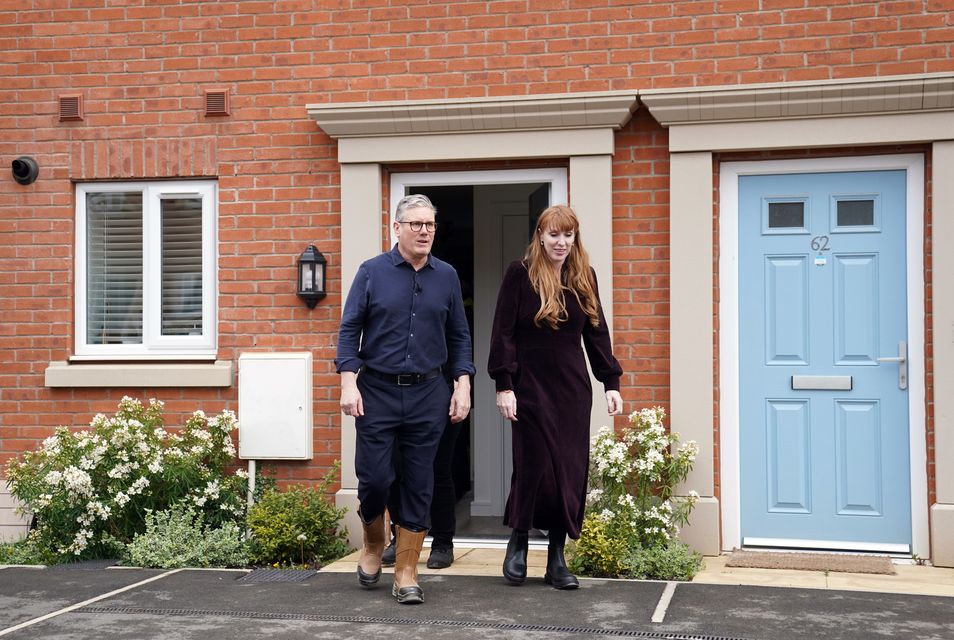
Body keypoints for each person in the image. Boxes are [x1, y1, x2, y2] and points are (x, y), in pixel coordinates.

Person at [337, 194, 475, 604]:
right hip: (376, 390)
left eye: (429, 224)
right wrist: (349, 382)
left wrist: (462, 384)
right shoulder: (371, 273)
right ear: (396, 228)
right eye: (415, 224)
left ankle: (407, 570)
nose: (424, 231)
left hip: (428, 393)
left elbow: (459, 337)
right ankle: (375, 543)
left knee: (420, 482)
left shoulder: (446, 276)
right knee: (376, 479)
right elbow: (349, 331)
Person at [488, 204, 623, 590]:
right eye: (553, 235)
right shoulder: (521, 274)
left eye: (568, 235)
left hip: (572, 389)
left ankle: (557, 557)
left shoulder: (585, 278)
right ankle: (518, 544)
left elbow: (597, 335)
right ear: (541, 236)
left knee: (568, 469)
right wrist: (504, 385)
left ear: (574, 238)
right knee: (533, 465)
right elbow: (503, 334)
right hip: (529, 385)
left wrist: (610, 382)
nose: (560, 242)